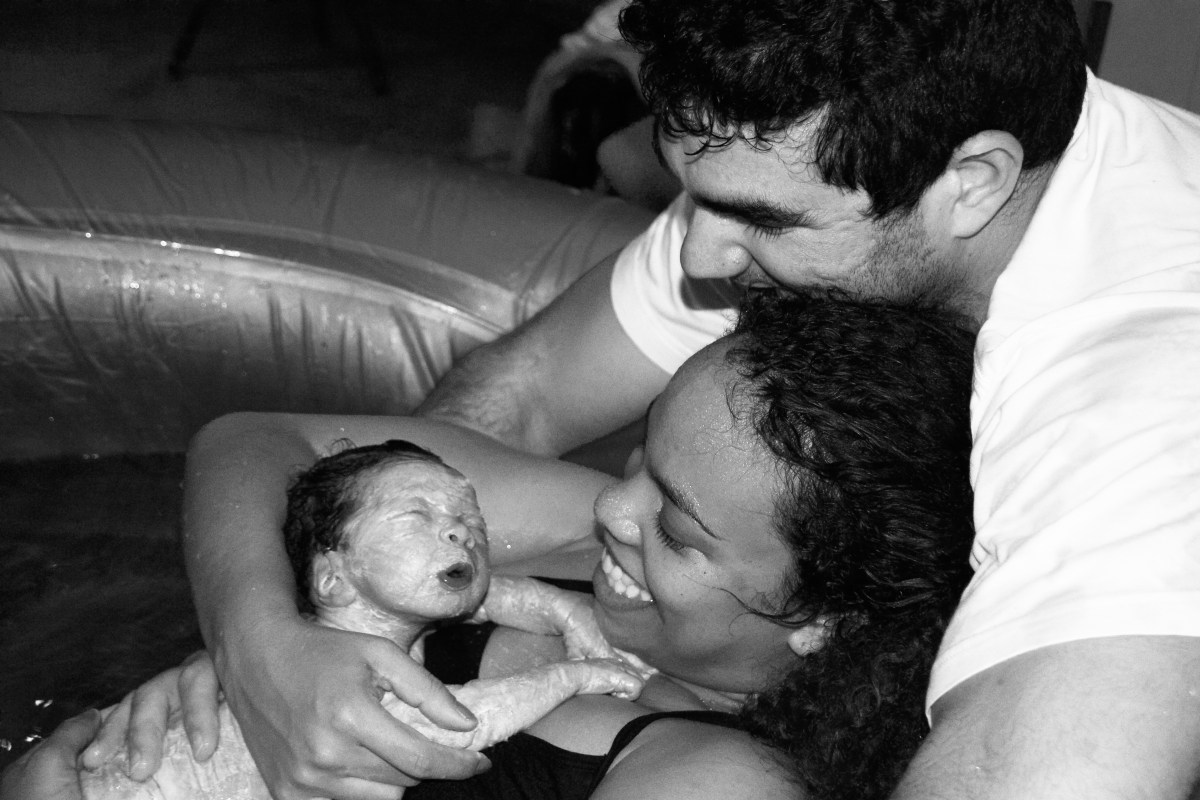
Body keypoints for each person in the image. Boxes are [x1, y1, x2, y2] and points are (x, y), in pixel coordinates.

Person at [14, 0, 1200, 797]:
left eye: (760, 218)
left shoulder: (1136, 423)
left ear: (974, 181)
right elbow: (511, 402)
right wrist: (282, 647)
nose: (703, 255)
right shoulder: (838, 171)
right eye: (697, 194)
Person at [5, 292, 978, 800]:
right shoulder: (622, 559)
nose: (610, 508)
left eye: (676, 527)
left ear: (821, 621)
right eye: (638, 455)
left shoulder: (716, 781)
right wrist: (266, 647)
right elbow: (256, 443)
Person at [78, 439, 646, 799]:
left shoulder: (368, 622)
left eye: (470, 518)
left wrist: (564, 608)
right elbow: (455, 725)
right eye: (417, 516)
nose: (461, 531)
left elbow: (486, 595)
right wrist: (576, 674)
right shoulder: (337, 673)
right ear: (333, 578)